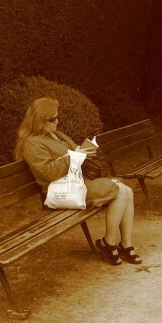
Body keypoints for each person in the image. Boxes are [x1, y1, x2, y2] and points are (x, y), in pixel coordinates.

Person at [15, 98, 141, 266]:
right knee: (118, 190)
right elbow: (48, 173)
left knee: (127, 191)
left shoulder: (57, 135)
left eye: (57, 117)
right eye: (52, 119)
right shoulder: (32, 144)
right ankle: (109, 243)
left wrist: (84, 153)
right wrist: (73, 156)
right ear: (38, 120)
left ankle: (125, 244)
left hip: (79, 183)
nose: (57, 121)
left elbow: (74, 155)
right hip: (63, 191)